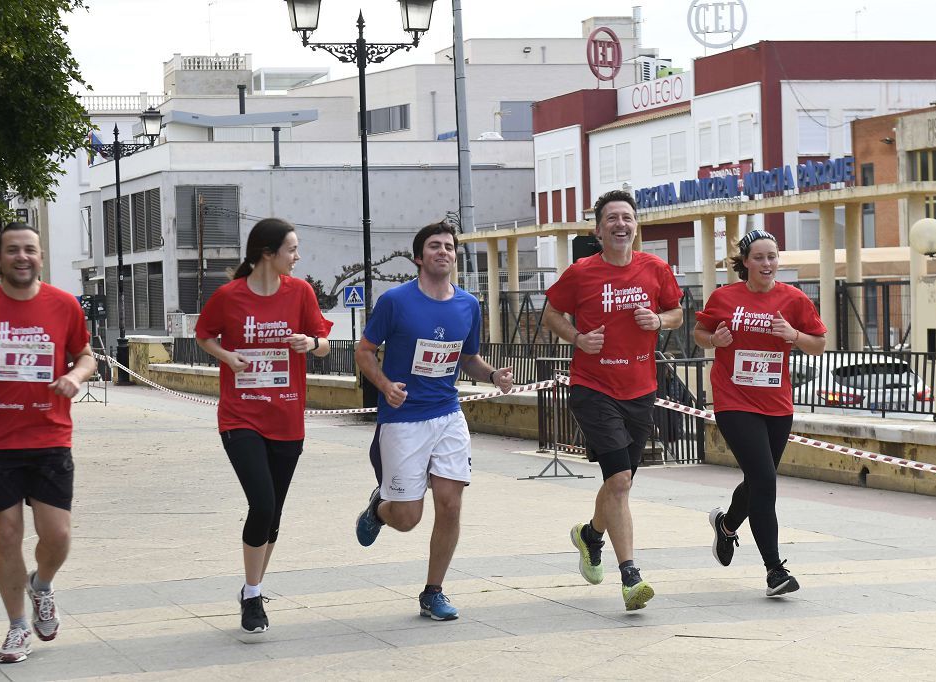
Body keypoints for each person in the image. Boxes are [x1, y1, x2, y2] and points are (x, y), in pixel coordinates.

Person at [0, 222, 96, 663]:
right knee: (6, 536)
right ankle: (16, 627)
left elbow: (86, 355)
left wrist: (74, 375)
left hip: (50, 434)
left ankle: (41, 585)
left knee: (58, 535)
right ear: (0, 258)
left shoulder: (64, 305)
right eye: (12, 250)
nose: (21, 257)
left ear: (41, 256)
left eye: (29, 249)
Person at [353, 221, 513, 621]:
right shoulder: (395, 301)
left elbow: (468, 358)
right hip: (403, 420)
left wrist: (493, 376)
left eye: (449, 246)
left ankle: (433, 591)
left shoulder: (468, 305)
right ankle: (378, 509)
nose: (443, 251)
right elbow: (365, 351)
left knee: (450, 505)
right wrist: (386, 386)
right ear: (419, 257)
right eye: (434, 246)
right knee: (407, 519)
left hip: (447, 415)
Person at [542, 190, 683, 611]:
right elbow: (551, 314)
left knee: (619, 481)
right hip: (593, 387)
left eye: (627, 217)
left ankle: (590, 535)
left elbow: (676, 313)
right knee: (620, 480)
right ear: (598, 229)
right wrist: (578, 338)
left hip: (640, 389)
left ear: (635, 226)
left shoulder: (656, 268)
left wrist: (658, 320)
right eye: (612, 219)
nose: (620, 224)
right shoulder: (581, 272)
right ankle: (630, 577)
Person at [195, 218, 333, 634]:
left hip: (287, 418)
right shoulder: (229, 296)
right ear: (267, 254)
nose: (298, 256)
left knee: (273, 514)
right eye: (292, 249)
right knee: (263, 503)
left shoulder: (301, 292)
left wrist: (311, 343)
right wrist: (227, 357)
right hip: (240, 416)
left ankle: (250, 586)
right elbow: (204, 334)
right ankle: (253, 597)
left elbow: (325, 343)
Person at [694, 229, 826, 596]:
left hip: (776, 403)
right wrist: (713, 340)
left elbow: (819, 344)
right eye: (760, 257)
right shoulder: (725, 297)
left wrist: (793, 335)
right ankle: (774, 570)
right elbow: (700, 332)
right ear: (746, 263)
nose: (767, 264)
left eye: (773, 257)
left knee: (757, 481)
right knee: (766, 481)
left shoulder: (794, 300)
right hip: (734, 399)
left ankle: (726, 524)